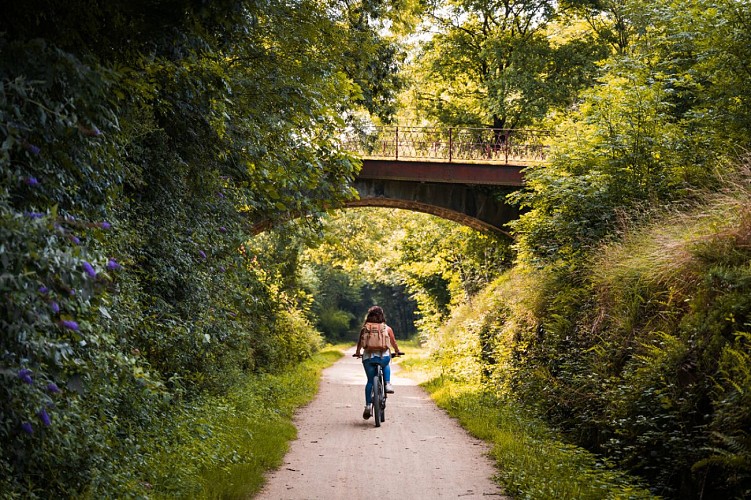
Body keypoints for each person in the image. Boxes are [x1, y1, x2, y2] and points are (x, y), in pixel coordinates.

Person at [353, 305, 402, 420]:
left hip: (368, 358)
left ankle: (368, 406)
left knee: (370, 381)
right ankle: (387, 383)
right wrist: (397, 351)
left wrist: (357, 352)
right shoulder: (386, 328)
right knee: (386, 363)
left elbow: (360, 342)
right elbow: (393, 341)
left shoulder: (365, 328)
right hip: (383, 357)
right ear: (381, 315)